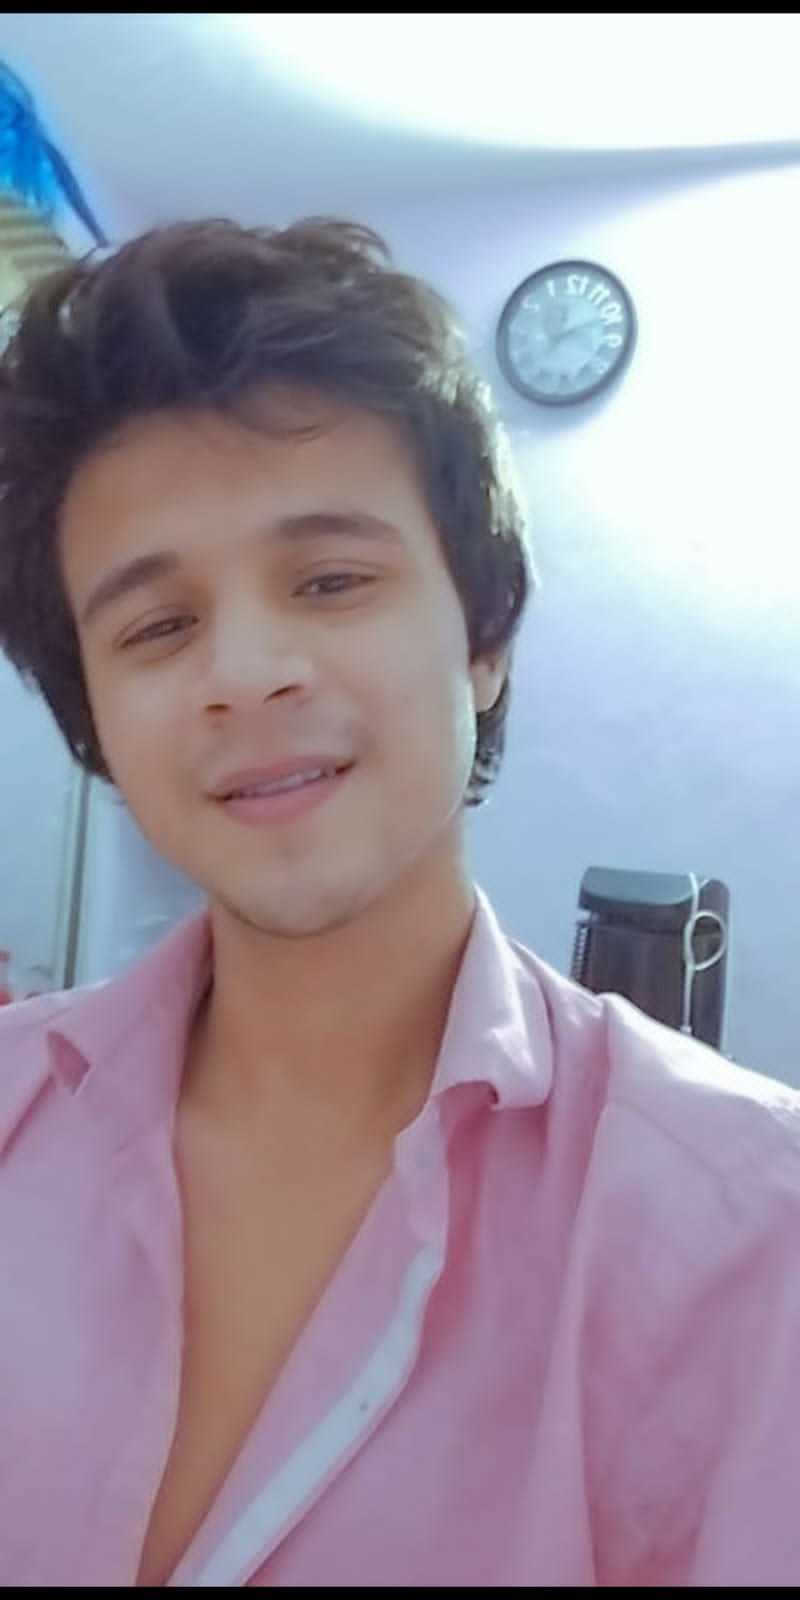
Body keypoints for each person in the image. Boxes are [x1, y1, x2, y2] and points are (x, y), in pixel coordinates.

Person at [0, 217, 798, 1590]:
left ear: (483, 638)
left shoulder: (746, 1229)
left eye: (331, 580)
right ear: (98, 724)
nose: (245, 672)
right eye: (157, 626)